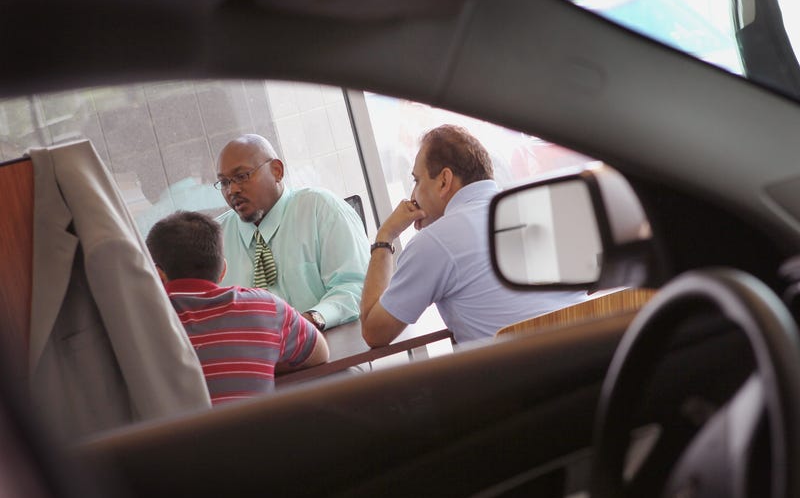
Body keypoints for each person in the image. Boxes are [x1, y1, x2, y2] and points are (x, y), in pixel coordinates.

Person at [360, 124, 588, 347]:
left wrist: (385, 236)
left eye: (417, 180)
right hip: (591, 362)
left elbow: (374, 332)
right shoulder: (537, 212)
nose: (412, 195)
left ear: (443, 181)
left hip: (519, 377)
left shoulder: (434, 242)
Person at [146, 210, 329, 405]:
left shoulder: (140, 321)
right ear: (223, 269)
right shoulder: (265, 306)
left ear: (157, 274)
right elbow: (320, 353)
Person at [214, 134, 369, 332]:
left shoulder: (320, 209)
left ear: (277, 171)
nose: (232, 189)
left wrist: (311, 321)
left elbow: (357, 286)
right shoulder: (216, 238)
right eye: (225, 182)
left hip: (329, 348)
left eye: (242, 176)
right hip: (254, 358)